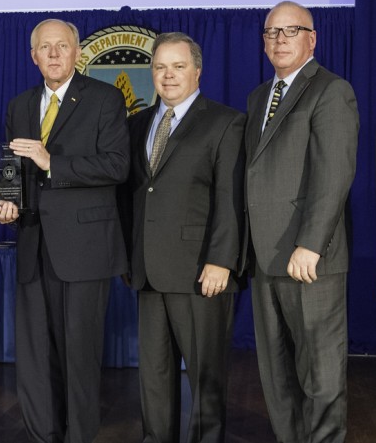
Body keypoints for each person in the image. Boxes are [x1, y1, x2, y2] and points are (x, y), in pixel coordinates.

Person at [0, 19, 130, 443]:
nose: (53, 54)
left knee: (80, 356)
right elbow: (13, 171)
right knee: (34, 355)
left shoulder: (105, 100)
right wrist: (7, 203)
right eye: (45, 48)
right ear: (33, 56)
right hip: (33, 243)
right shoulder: (19, 104)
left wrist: (54, 162)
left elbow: (117, 165)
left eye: (62, 46)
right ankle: (41, 434)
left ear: (76, 53)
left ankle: (78, 437)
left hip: (84, 248)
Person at [122, 32, 245, 443]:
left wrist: (222, 260)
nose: (168, 75)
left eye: (177, 67)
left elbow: (231, 197)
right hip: (148, 271)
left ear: (197, 71)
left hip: (201, 272)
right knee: (154, 377)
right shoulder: (137, 123)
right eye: (160, 67)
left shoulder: (225, 122)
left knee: (205, 377)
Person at [244, 1, 357, 443]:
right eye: (271, 32)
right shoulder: (259, 97)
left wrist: (310, 243)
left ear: (312, 38)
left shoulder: (331, 90)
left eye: (290, 31)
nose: (279, 40)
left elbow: (334, 174)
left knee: (321, 377)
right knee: (277, 379)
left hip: (310, 261)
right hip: (265, 258)